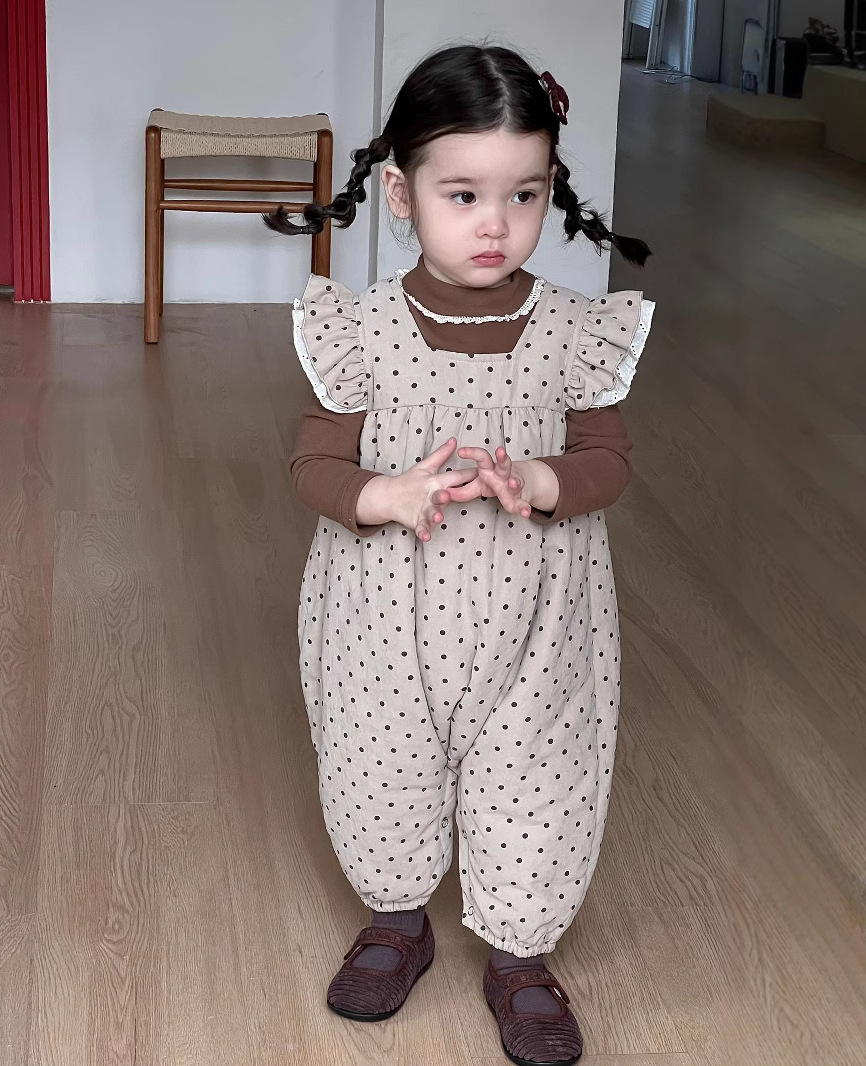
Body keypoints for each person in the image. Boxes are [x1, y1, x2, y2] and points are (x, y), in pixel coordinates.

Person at [264, 43, 653, 1066]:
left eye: (525, 194)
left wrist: (543, 480)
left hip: (537, 616)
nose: (496, 223)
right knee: (379, 761)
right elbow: (312, 463)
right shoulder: (359, 330)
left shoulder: (575, 333)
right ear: (401, 194)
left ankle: (520, 957)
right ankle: (398, 919)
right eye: (464, 194)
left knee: (539, 772)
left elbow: (608, 461)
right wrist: (378, 495)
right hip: (384, 609)